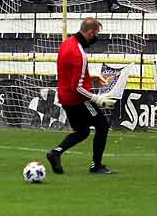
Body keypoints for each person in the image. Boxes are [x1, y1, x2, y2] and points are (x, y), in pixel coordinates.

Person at [43, 16, 115, 176]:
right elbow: (77, 87)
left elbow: (69, 73)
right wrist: (97, 98)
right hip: (77, 99)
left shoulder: (67, 43)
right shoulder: (79, 54)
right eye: (96, 34)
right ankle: (96, 166)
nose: (96, 38)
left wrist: (92, 79)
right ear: (90, 33)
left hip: (64, 97)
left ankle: (56, 152)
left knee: (82, 131)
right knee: (102, 125)